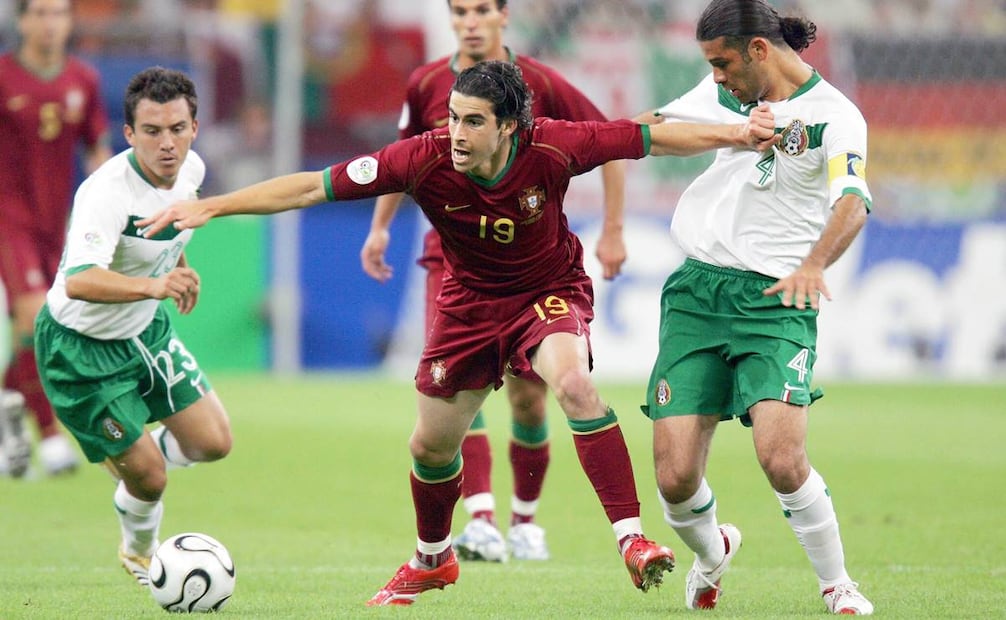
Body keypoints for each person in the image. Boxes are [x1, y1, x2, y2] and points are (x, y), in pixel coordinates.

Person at [138, 60, 776, 606]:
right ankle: (433, 557)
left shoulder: (554, 145)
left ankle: (631, 537)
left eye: (473, 121)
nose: (457, 133)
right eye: (452, 118)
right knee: (430, 448)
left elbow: (649, 136)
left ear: (508, 126)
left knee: (576, 385)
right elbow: (312, 186)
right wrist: (213, 205)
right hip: (468, 308)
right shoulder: (422, 158)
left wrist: (738, 134)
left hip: (545, 293)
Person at [359, 0, 628, 563]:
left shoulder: (538, 84)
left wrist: (612, 229)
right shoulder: (427, 82)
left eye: (482, 9)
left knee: (532, 398)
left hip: (528, 264)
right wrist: (380, 227)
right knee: (460, 385)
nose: (470, 22)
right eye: (460, 11)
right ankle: (479, 517)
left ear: (505, 15)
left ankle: (524, 522)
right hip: (452, 262)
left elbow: (613, 140)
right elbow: (396, 162)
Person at [636, 0, 874, 614]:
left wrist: (815, 264)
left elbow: (851, 200)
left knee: (781, 457)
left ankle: (837, 584)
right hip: (697, 294)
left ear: (759, 51)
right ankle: (713, 551)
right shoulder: (724, 96)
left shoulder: (836, 117)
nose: (716, 76)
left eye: (723, 63)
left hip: (776, 300)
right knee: (674, 478)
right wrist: (729, 131)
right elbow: (650, 130)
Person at [33, 67, 232, 586]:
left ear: (194, 126)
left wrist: (180, 265)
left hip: (143, 331)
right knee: (151, 478)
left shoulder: (192, 172)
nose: (167, 144)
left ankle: (129, 454)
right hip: (79, 348)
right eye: (152, 131)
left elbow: (168, 227)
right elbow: (78, 281)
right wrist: (154, 286)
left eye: (177, 129)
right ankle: (140, 551)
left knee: (214, 442)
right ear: (129, 134)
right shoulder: (105, 193)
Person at [0, 0, 112, 477]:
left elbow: (97, 150)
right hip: (8, 221)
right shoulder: (3, 76)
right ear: (22, 20)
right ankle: (50, 440)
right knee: (34, 318)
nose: (50, 23)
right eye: (40, 13)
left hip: (57, 225)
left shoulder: (83, 80)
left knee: (44, 332)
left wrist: (113, 210)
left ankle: (7, 409)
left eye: (58, 13)